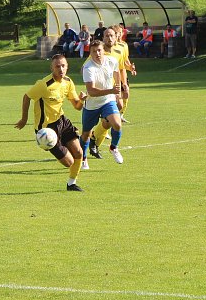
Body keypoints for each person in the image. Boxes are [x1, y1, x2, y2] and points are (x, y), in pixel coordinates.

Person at [15, 54, 87, 192]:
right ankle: (69, 176)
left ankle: (71, 184)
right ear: (52, 68)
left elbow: (77, 106)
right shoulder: (44, 84)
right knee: (69, 162)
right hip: (46, 129)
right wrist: (24, 119)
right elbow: (27, 97)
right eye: (57, 66)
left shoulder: (68, 82)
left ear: (67, 66)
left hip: (62, 121)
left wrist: (82, 100)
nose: (61, 69)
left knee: (79, 152)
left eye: (63, 65)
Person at [88, 26, 131, 158]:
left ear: (117, 36)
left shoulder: (120, 49)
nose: (110, 38)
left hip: (114, 91)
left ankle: (95, 142)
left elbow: (121, 68)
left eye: (112, 35)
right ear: (103, 37)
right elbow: (87, 68)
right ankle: (92, 141)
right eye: (107, 36)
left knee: (109, 121)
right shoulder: (98, 51)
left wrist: (124, 85)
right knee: (108, 121)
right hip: (100, 92)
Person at [80, 40, 123, 170]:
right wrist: (112, 90)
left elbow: (117, 75)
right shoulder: (88, 68)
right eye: (94, 51)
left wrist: (118, 94)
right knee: (86, 134)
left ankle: (113, 148)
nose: (97, 53)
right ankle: (83, 158)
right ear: (90, 53)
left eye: (99, 50)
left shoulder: (112, 61)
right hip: (92, 104)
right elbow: (91, 91)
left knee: (117, 124)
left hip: (107, 101)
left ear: (103, 49)